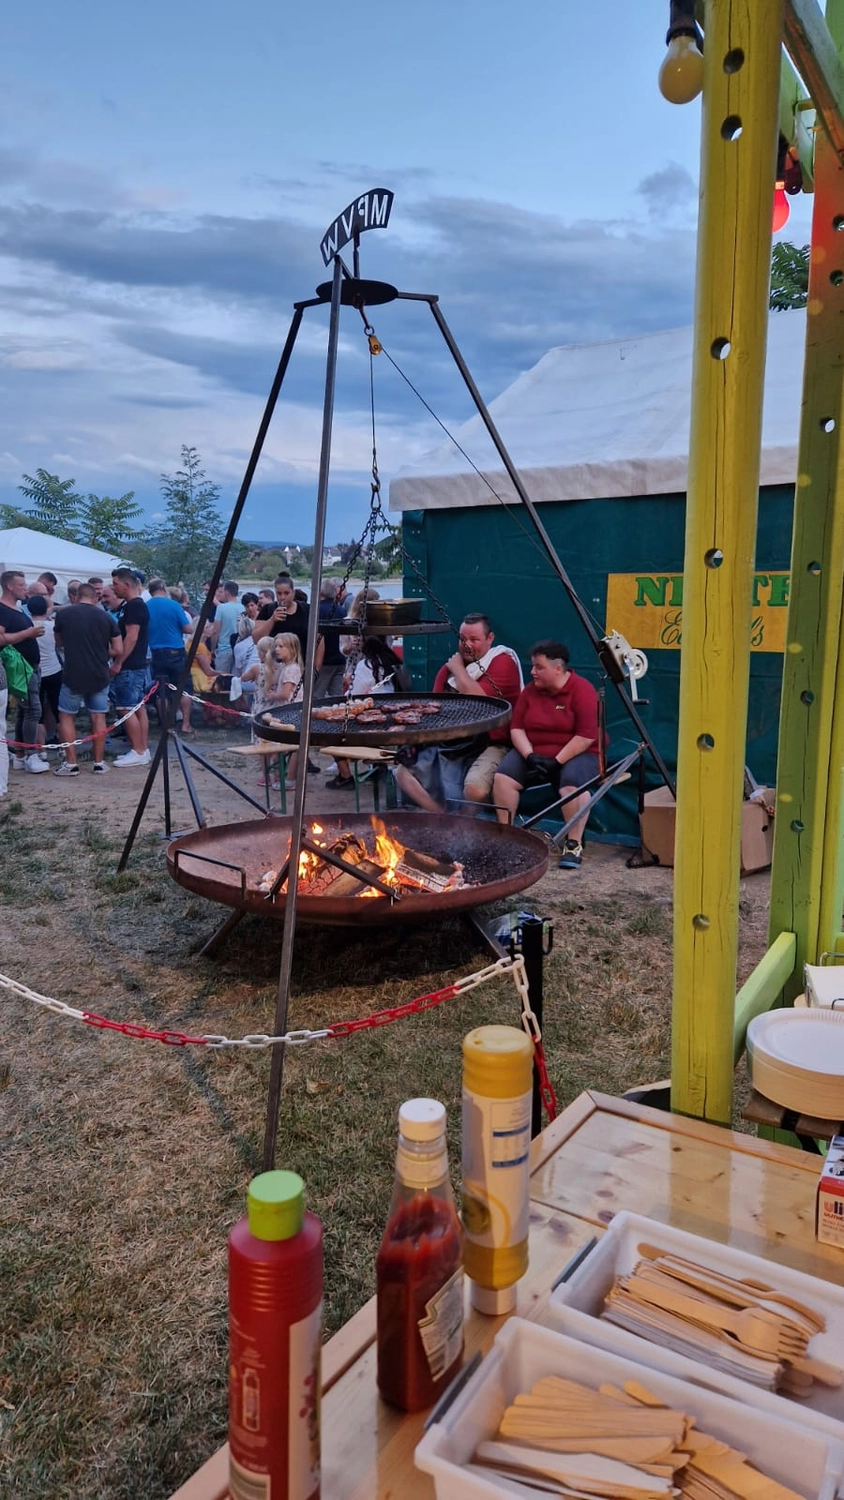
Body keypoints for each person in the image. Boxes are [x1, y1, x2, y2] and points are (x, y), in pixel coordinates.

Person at [394, 613, 522, 815]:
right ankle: (443, 818)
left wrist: (458, 669)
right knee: (402, 774)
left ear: (490, 639)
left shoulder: (502, 662)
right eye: (462, 639)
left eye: (474, 640)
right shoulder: (448, 673)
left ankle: (464, 822)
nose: (467, 645)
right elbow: (434, 710)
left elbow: (481, 701)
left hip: (493, 742)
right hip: (454, 742)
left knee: (475, 789)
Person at [493, 639, 602, 869]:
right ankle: (507, 835)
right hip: (535, 752)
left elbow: (586, 736)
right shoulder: (530, 692)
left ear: (558, 668)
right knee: (503, 778)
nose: (532, 672)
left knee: (571, 785)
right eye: (532, 666)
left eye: (538, 667)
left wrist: (557, 761)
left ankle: (573, 844)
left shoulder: (582, 690)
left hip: (577, 752)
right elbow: (517, 728)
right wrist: (530, 755)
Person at [53, 584, 123, 775]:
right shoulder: (106, 617)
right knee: (98, 716)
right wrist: (101, 651)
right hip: (100, 674)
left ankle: (71, 763)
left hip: (73, 673)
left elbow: (58, 641)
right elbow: (118, 649)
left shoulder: (64, 615)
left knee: (67, 716)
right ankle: (99, 762)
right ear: (95, 598)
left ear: (76, 596)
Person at [328, 636, 402, 790]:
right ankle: (378, 767)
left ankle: (345, 777)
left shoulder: (366, 665)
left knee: (332, 733)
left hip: (371, 720)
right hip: (393, 718)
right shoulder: (392, 661)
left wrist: (348, 683)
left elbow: (354, 695)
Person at [0, 569, 48, 774]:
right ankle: (31, 755)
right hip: (20, 669)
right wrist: (28, 633)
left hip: (30, 668)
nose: (26, 589)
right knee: (33, 710)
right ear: (10, 586)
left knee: (25, 710)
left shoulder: (18, 609)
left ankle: (20, 754)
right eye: (21, 585)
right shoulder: (2, 609)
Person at [110, 566, 151, 766]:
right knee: (137, 707)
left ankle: (138, 749)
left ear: (127, 585)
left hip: (130, 664)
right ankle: (142, 749)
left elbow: (131, 637)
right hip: (137, 663)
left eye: (115, 584)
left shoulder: (134, 607)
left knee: (126, 707)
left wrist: (119, 661)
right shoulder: (133, 605)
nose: (113, 587)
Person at [145, 577, 193, 728]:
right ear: (163, 588)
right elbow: (188, 629)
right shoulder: (174, 605)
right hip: (175, 651)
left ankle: (166, 723)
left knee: (161, 690)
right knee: (184, 687)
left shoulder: (145, 606)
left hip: (156, 652)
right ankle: (186, 724)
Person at [26, 594, 62, 752]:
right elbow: (60, 644)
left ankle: (41, 752)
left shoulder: (27, 629)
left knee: (38, 714)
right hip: (54, 671)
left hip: (36, 673)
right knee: (58, 710)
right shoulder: (52, 626)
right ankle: (63, 747)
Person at [315, 578, 349, 698]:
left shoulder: (316, 611)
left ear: (321, 593)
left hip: (324, 661)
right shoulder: (342, 611)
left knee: (316, 696)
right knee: (337, 697)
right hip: (340, 660)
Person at [211, 581, 243, 673]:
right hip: (239, 649)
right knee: (235, 680)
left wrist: (212, 649)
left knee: (221, 678)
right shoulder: (243, 607)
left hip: (224, 648)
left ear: (227, 592)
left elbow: (215, 631)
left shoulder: (221, 608)